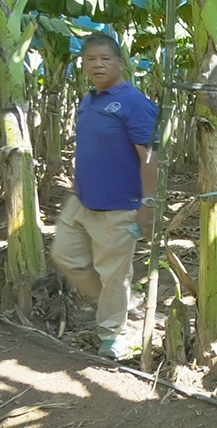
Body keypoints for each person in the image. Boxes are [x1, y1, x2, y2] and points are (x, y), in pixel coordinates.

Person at [51, 33, 159, 359]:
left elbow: (151, 157)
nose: (97, 64)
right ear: (82, 65)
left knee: (113, 273)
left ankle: (112, 334)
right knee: (64, 254)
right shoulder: (90, 100)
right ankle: (112, 308)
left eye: (105, 58)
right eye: (90, 59)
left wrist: (148, 204)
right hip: (82, 201)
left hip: (119, 207)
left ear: (120, 63)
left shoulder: (134, 102)